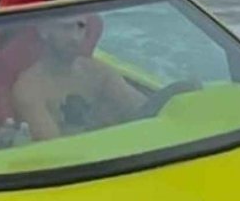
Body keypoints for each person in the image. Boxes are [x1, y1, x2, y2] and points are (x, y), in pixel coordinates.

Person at [11, 15, 145, 141]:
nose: (75, 37)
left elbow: (145, 109)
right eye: (66, 28)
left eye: (81, 27)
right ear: (44, 31)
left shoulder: (98, 72)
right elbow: (55, 150)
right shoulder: (29, 89)